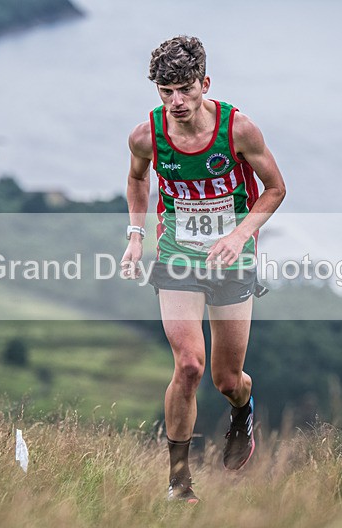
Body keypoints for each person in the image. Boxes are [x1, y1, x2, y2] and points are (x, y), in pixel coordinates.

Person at [120, 35, 286, 503]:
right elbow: (136, 178)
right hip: (178, 254)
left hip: (233, 256)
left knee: (226, 379)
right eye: (166, 91)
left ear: (204, 84)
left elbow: (275, 189)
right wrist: (136, 236)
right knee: (189, 365)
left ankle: (242, 409)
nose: (176, 101)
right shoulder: (146, 136)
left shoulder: (238, 130)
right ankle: (179, 482)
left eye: (185, 89)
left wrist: (238, 236)